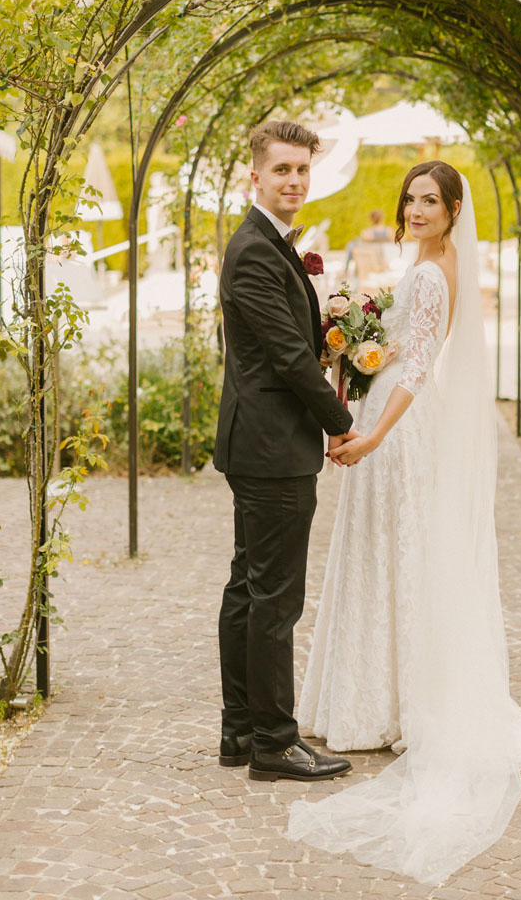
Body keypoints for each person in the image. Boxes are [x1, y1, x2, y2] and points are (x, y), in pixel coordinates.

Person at [288, 161, 521, 884]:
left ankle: (389, 702)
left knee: (393, 553)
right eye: (410, 199)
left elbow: (414, 366)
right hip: (380, 407)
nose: (416, 210)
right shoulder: (422, 263)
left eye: (430, 202)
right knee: (383, 553)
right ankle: (376, 693)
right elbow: (388, 351)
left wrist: (374, 433)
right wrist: (346, 346)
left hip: (398, 425)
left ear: (453, 211)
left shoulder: (432, 272)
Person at [213, 120, 360, 783]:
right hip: (273, 447)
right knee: (275, 598)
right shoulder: (252, 250)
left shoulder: (271, 247)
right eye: (282, 170)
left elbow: (298, 343)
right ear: (256, 176)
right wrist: (339, 422)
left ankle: (241, 729)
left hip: (261, 443)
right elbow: (290, 359)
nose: (295, 180)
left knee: (249, 588)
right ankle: (274, 741)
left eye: (303, 169)